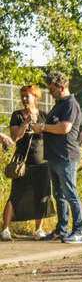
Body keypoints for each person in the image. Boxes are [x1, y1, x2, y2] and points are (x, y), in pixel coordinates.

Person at [33, 71, 82, 244]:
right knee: (59, 195)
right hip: (55, 156)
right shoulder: (59, 103)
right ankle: (61, 229)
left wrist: (42, 127)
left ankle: (78, 230)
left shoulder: (70, 103)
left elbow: (64, 128)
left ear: (62, 87)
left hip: (66, 156)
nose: (50, 93)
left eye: (52, 89)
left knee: (70, 194)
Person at [1, 85, 55, 241]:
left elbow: (51, 137)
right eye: (23, 95)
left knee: (41, 195)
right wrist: (26, 123)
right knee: (15, 195)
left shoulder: (45, 116)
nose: (24, 99)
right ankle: (5, 229)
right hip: (22, 163)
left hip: (42, 163)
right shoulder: (17, 115)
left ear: (36, 98)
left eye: (27, 96)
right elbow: (15, 137)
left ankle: (38, 229)